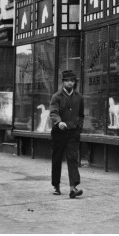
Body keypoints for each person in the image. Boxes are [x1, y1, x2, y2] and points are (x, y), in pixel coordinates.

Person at [49, 69, 85, 198]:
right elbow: (53, 112)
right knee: (57, 158)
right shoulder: (56, 97)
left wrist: (78, 126)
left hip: (73, 132)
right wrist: (59, 122)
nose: (70, 83)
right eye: (67, 81)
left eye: (72, 81)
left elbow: (81, 115)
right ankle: (56, 186)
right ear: (63, 82)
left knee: (72, 158)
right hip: (59, 132)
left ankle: (73, 187)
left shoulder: (79, 97)